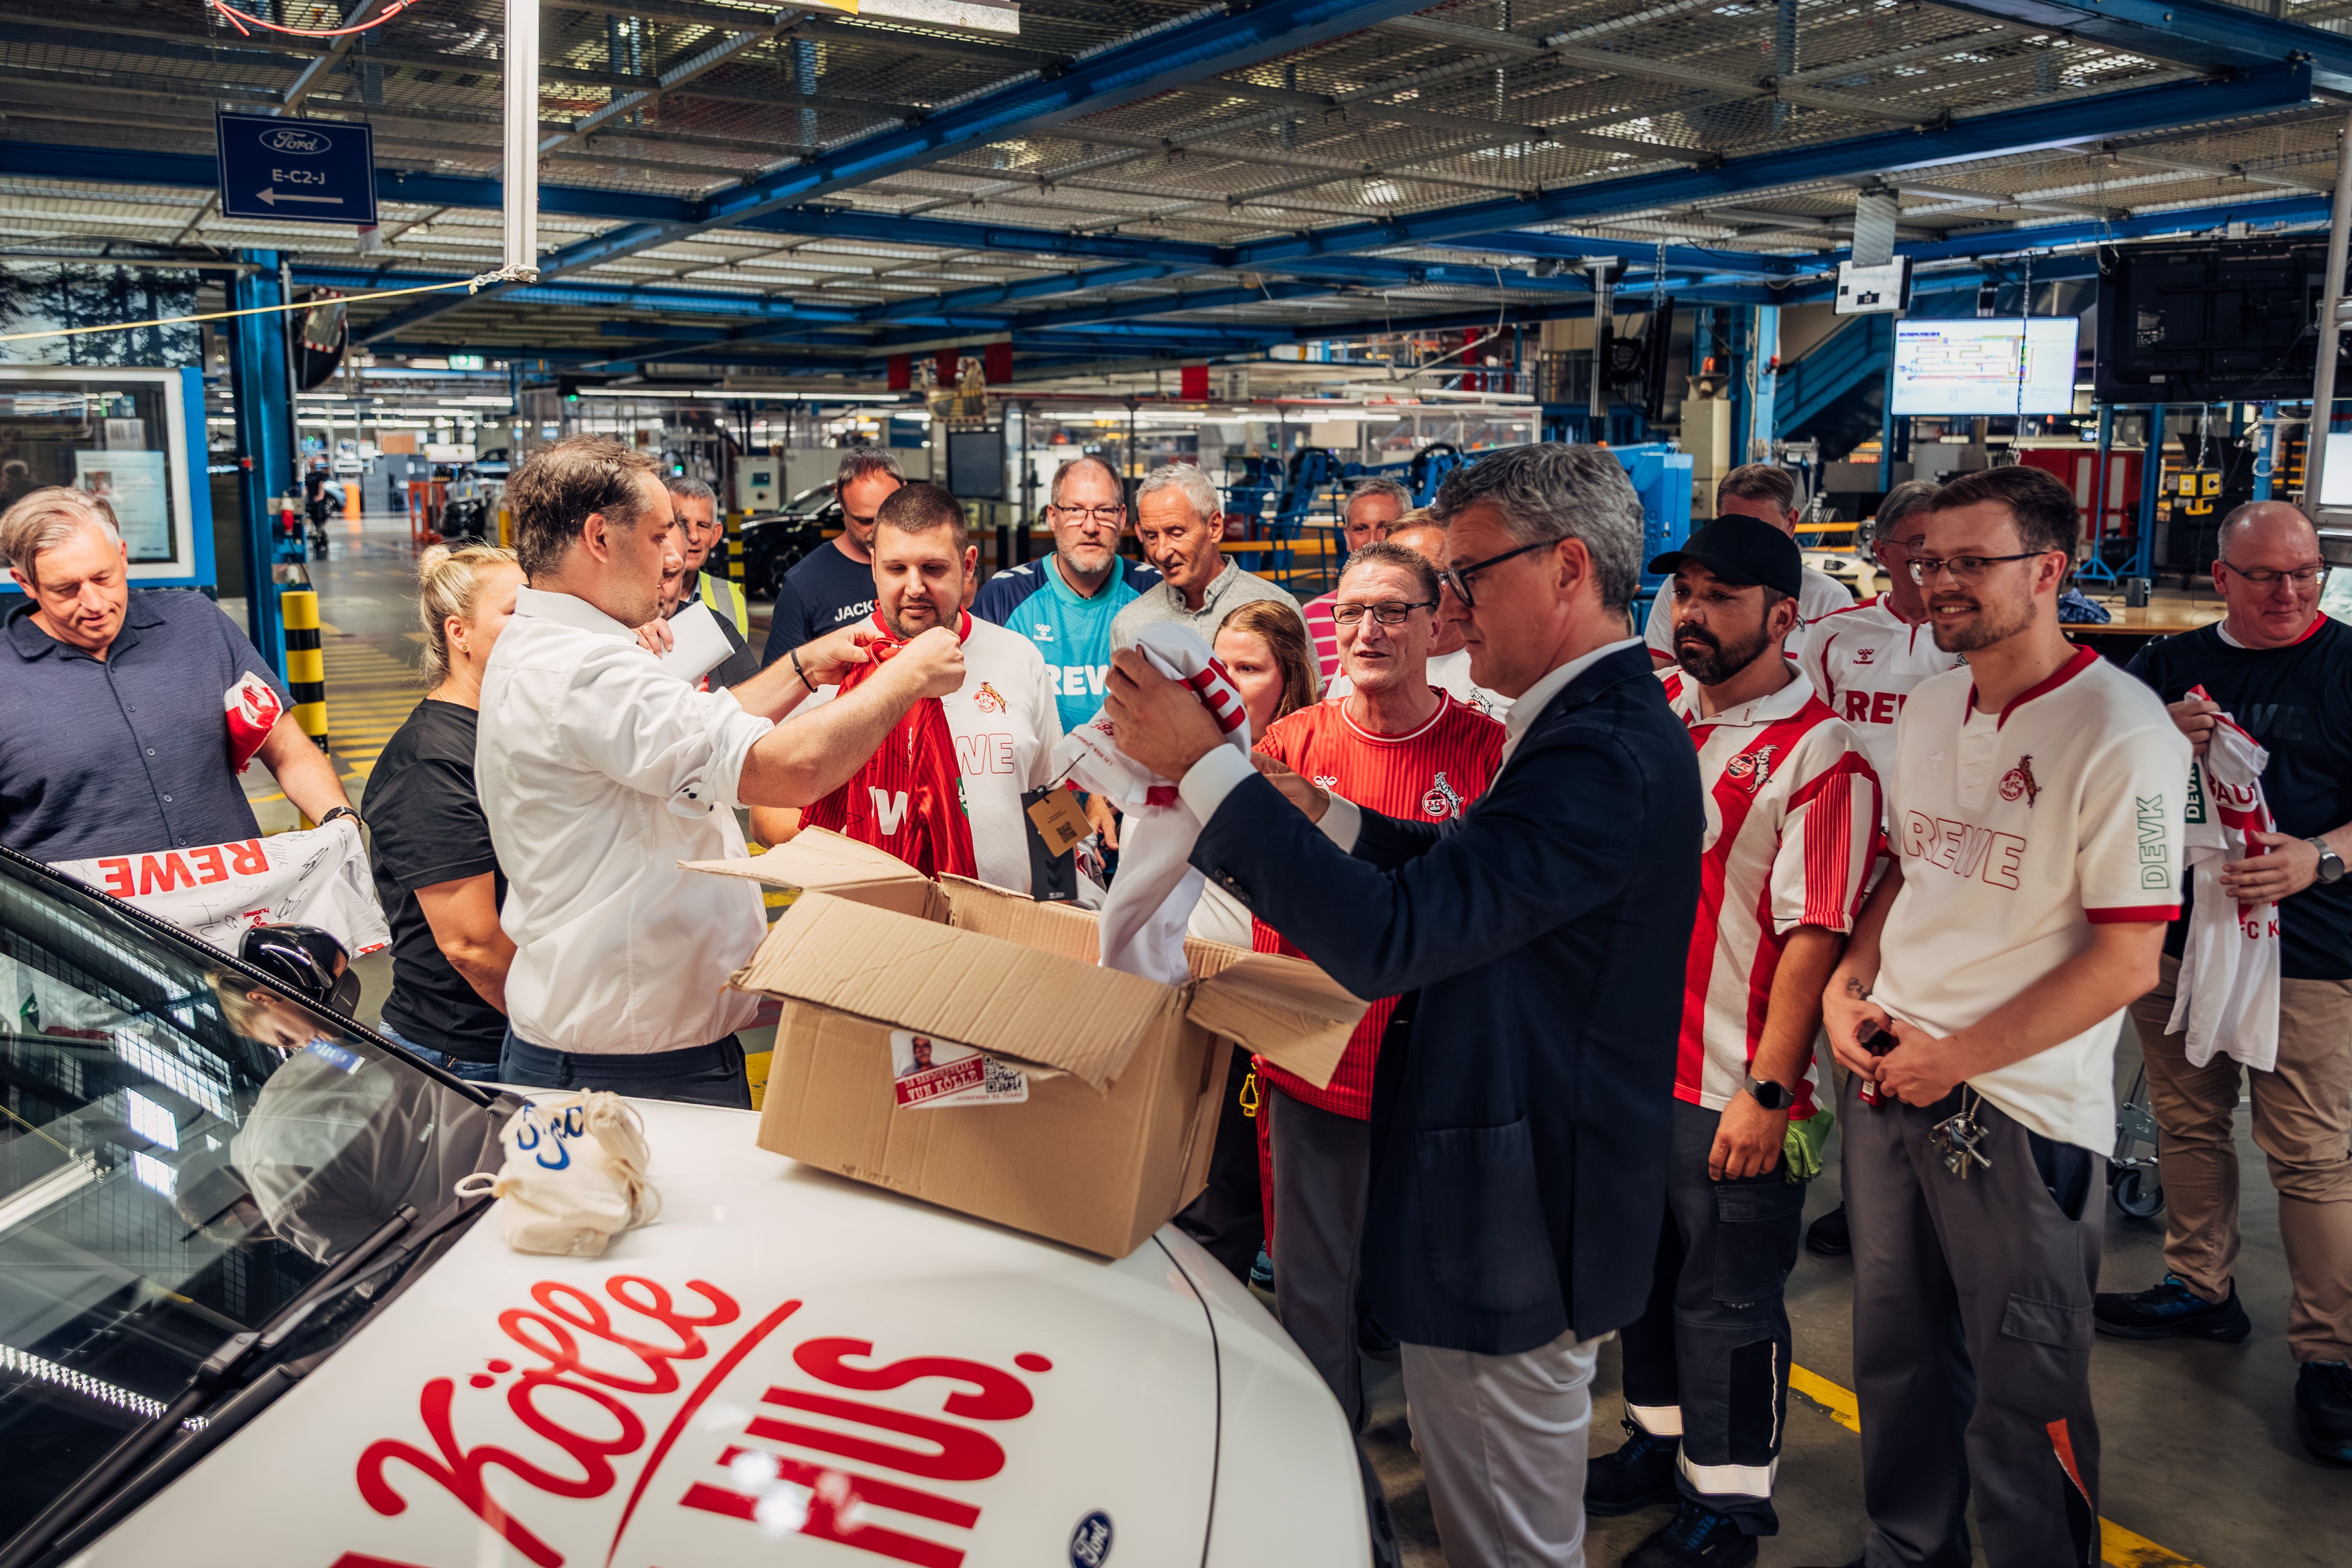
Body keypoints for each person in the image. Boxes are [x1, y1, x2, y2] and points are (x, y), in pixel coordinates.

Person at [1103, 442, 1703, 1568]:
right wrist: (1316, 812)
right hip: (1510, 1195)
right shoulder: (1585, 726)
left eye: (1471, 575)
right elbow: (1463, 877)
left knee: (1506, 1539)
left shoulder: (1596, 750)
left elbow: (1395, 938)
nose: (1457, 611)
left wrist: (1208, 772)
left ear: (1566, 567)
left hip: (1516, 1222)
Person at [1819, 464, 2187, 1568]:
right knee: (1893, 1353)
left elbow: (2127, 958)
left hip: (2014, 1104)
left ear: (2046, 570)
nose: (1938, 583)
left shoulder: (2130, 737)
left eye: (1970, 563)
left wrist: (1958, 1058)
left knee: (2025, 1380)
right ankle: (1906, 1547)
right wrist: (1849, 980)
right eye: (1927, 560)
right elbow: (1906, 866)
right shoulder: (1931, 704)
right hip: (1889, 1069)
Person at [477, 437, 965, 1105]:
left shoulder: (551, 649)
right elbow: (786, 772)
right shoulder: (589, 672)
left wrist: (800, 668)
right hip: (628, 1067)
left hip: (617, 1046)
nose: (677, 558)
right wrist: (906, 677)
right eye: (656, 536)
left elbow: (687, 735)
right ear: (598, 537)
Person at [1586, 517, 1877, 1568]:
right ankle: (1655, 1447)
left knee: (1729, 1300)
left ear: (1784, 617)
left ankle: (1730, 1506)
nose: (1691, 614)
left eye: (1718, 596)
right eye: (1686, 592)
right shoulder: (1666, 714)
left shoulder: (1821, 754)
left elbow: (1818, 933)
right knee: (1649, 1282)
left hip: (1732, 1081)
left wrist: (1769, 1086)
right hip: (1636, 1071)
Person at [2099, 499, 2352, 1462]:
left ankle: (2329, 1352)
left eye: (2305, 573)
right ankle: (2197, 1286)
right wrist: (2152, 733)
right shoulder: (2163, 668)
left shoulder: (2343, 663)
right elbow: (2105, 785)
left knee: (2309, 1153)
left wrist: (2317, 858)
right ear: (2221, 579)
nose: (2289, 591)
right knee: (2186, 1119)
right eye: (2265, 576)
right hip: (2177, 942)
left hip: (2310, 951)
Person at [1250, 540, 1506, 1431]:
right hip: (1315, 1066)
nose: (1367, 629)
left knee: (1444, 1297)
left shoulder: (1490, 754)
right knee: (1313, 1296)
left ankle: (1459, 1480)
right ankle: (1331, 1472)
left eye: (1393, 609)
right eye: (1351, 609)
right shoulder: (1289, 746)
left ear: (1439, 624)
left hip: (1440, 1080)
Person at [1, 486, 356, 862]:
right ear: (25, 583)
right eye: (66, 589)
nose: (94, 603)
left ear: (122, 557)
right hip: (86, 921)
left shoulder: (197, 623)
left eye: (102, 578)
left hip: (240, 902)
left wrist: (339, 817)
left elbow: (288, 749)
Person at [1795, 478, 1964, 1258]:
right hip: (1852, 867)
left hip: (1945, 879)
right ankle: (1869, 1196)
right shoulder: (1834, 637)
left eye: (1953, 553)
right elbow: (1810, 743)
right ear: (1888, 551)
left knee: (1929, 1030)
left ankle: (1936, 1193)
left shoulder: (1976, 642)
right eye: (1923, 550)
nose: (1936, 567)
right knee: (1848, 1028)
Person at [786, 481, 1066, 896]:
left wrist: (1061, 897)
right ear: (874, 564)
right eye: (896, 569)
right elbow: (766, 814)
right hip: (871, 925)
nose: (914, 587)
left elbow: (1050, 798)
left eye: (933, 568)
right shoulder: (833, 666)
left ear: (968, 566)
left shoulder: (1018, 657)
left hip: (1001, 928)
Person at [1172, 597, 1323, 1284]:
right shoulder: (1187, 752)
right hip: (1189, 998)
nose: (1226, 683)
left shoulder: (1310, 773)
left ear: (1288, 678)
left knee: (1267, 1197)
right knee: (1202, 1192)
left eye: (1248, 668)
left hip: (1270, 1005)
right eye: (1218, 667)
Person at [365, 543, 524, 1081]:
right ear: (459, 633)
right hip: (468, 1053)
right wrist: (563, 1029)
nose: (538, 628)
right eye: (514, 612)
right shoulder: (429, 760)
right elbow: (472, 946)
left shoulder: (513, 731)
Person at [973, 454, 1163, 734]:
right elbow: (975, 703)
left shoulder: (1155, 591)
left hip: (1131, 771)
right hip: (1037, 775)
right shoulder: (1004, 596)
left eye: (1104, 511)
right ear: (1053, 517)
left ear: (1122, 517)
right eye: (1075, 510)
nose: (1090, 526)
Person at [1646, 465, 1851, 668]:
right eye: (1732, 528)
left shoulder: (1829, 599)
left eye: (1760, 530)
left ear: (1790, 522)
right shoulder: (1679, 588)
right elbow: (1658, 673)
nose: (1745, 542)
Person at [1329, 510, 1511, 719]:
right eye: (1397, 575)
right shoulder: (1363, 662)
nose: (1408, 588)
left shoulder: (1504, 667)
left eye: (1429, 575)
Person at [1109, 463, 1304, 651]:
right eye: (1151, 536)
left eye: (1176, 533)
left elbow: (1304, 685)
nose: (1161, 552)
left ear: (1215, 528)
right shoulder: (1130, 624)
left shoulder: (1279, 610)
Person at [759, 447, 903, 663]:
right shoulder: (804, 584)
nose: (879, 529)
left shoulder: (926, 569)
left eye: (888, 515)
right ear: (840, 501)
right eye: (864, 521)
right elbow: (776, 684)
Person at [1300, 478, 1413, 679]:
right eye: (1360, 529)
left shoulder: (1431, 614)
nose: (1372, 541)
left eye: (1385, 527)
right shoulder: (1309, 619)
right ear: (1347, 536)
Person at [660, 475, 760, 689]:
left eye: (703, 526)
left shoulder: (731, 597)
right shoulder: (633, 595)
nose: (694, 537)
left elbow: (739, 675)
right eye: (683, 524)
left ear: (716, 535)